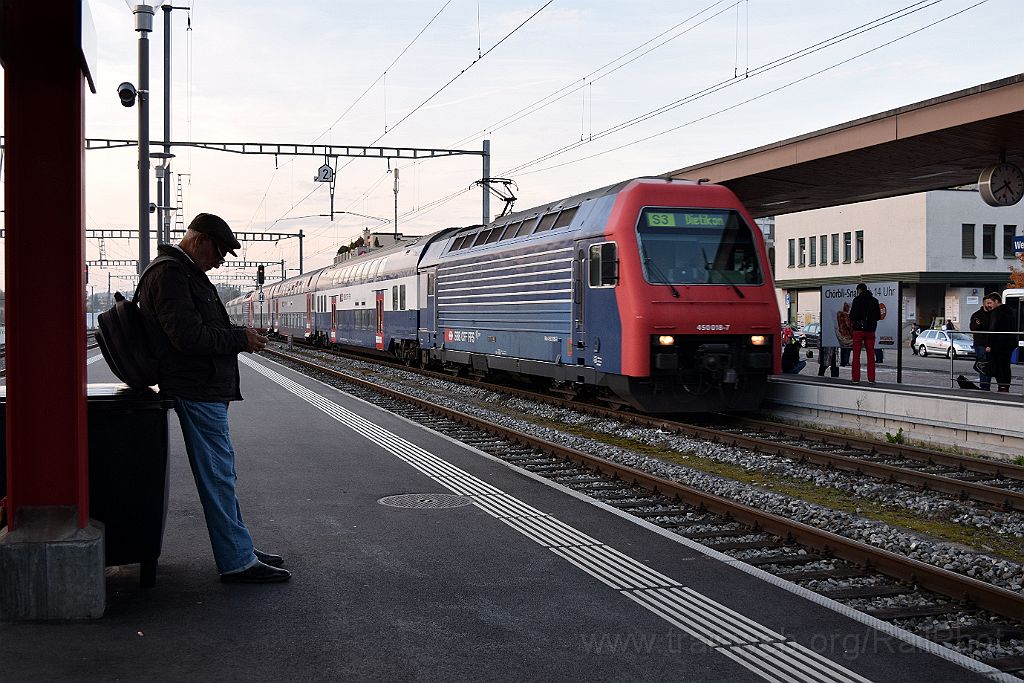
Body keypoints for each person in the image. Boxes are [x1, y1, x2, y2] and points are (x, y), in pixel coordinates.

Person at [137, 213, 290, 583]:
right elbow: (188, 338)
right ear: (201, 239)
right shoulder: (172, 274)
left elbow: (200, 330)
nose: (221, 261)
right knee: (219, 476)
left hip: (201, 387)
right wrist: (241, 339)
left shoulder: (183, 272)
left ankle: (239, 546)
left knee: (223, 473)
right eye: (220, 251)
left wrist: (237, 334)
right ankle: (236, 561)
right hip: (195, 388)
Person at [985, 292, 1017, 393]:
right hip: (1010, 343)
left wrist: (989, 344)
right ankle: (1006, 386)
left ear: (996, 301)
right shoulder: (1010, 311)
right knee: (1006, 365)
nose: (988, 305)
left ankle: (1001, 386)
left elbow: (992, 329)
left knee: (999, 365)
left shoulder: (996, 312)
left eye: (990, 303)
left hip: (998, 344)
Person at [849, 283, 881, 383]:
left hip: (858, 330)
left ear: (859, 290)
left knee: (856, 354)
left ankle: (855, 378)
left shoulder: (857, 300)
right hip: (870, 331)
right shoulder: (874, 301)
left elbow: (852, 316)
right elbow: (878, 316)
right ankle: (871, 378)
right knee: (871, 355)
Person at [969, 300, 992, 391]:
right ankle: (984, 386)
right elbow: (973, 327)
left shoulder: (992, 314)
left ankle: (986, 385)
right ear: (984, 304)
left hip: (990, 343)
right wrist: (979, 325)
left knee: (989, 364)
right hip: (980, 343)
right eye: (988, 303)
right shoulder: (977, 315)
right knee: (982, 364)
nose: (990, 305)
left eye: (991, 303)